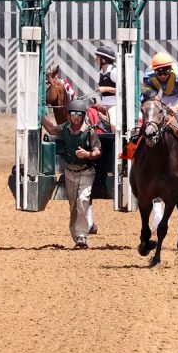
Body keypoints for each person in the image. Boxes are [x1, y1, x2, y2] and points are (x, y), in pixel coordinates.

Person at [41, 99, 102, 249]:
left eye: (78, 114)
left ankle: (82, 235)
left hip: (86, 171)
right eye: (72, 114)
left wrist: (87, 154)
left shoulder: (89, 131)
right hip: (69, 171)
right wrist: (39, 114)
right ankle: (76, 236)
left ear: (82, 116)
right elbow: (50, 129)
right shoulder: (64, 128)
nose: (75, 117)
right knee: (73, 204)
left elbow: (98, 151)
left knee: (83, 199)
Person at [136, 51, 178, 148]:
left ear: (170, 69)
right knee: (148, 113)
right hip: (159, 95)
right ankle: (139, 139)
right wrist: (151, 100)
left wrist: (177, 107)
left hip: (177, 96)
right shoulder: (148, 75)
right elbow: (144, 94)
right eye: (159, 73)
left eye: (165, 72)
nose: (163, 76)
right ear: (155, 71)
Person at [94, 44, 118, 128]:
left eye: (98, 56)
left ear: (104, 59)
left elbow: (122, 90)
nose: (95, 58)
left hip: (115, 105)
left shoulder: (114, 71)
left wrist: (105, 89)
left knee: (114, 123)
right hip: (104, 104)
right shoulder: (101, 72)